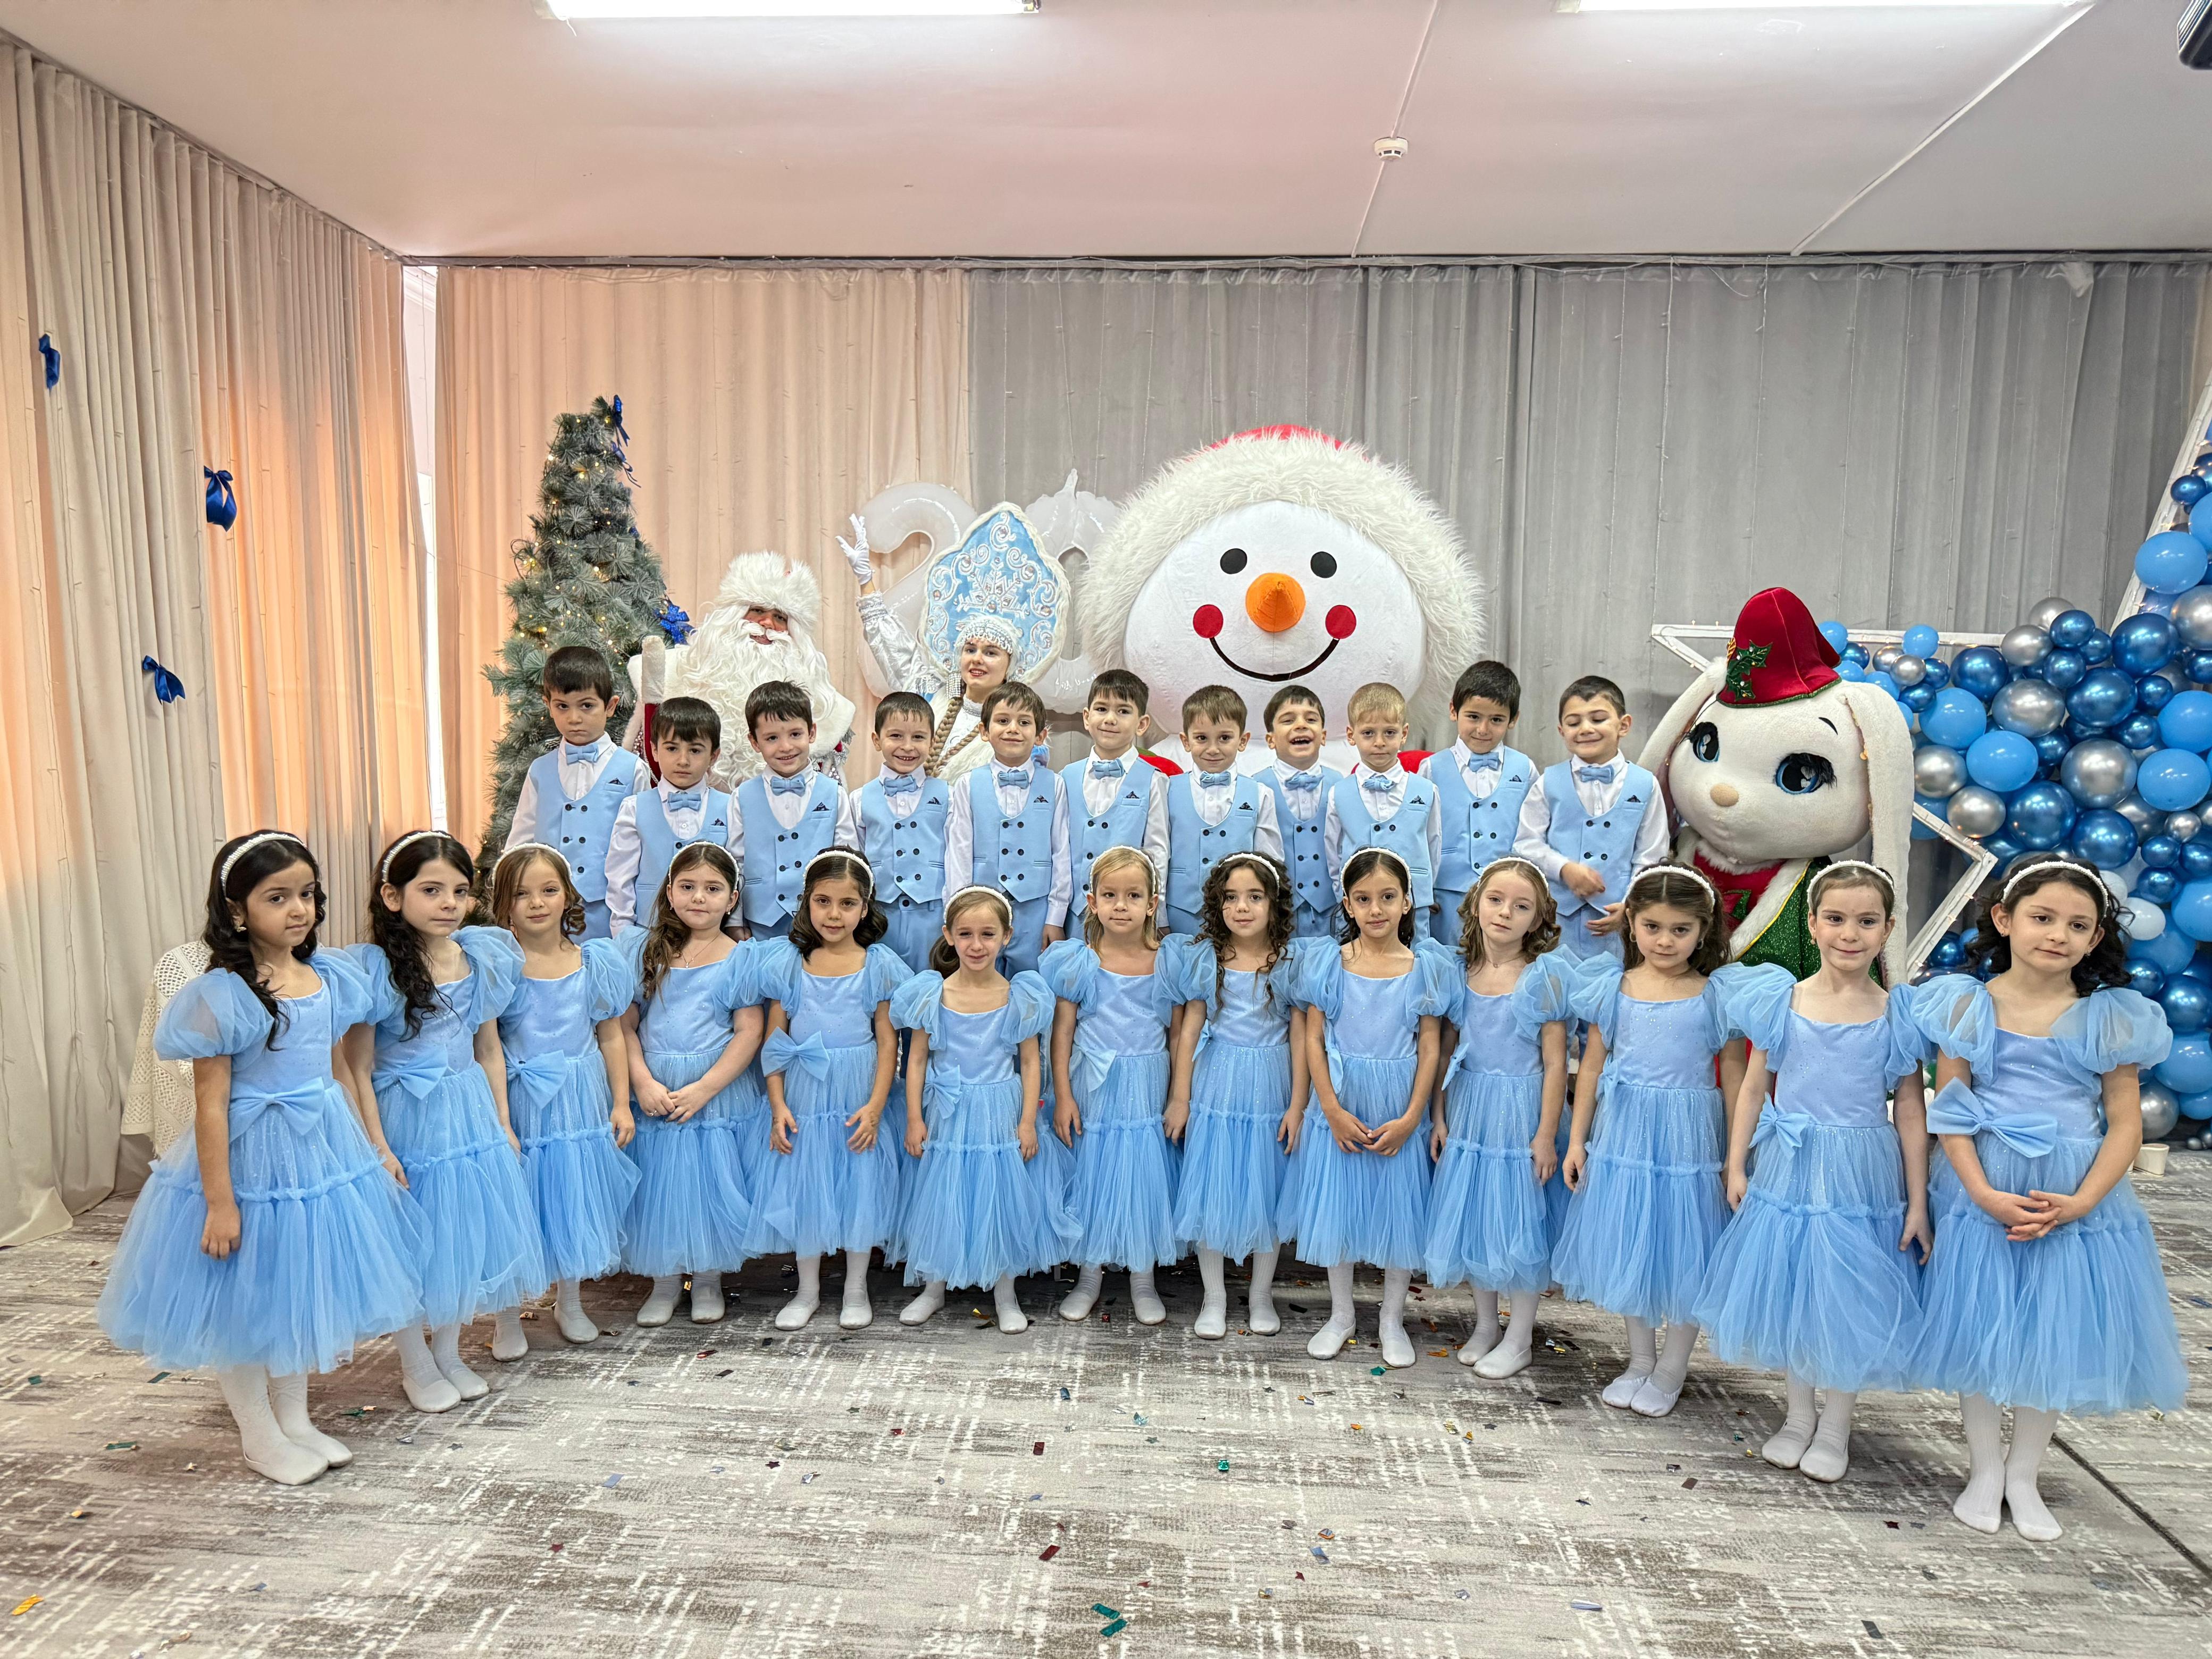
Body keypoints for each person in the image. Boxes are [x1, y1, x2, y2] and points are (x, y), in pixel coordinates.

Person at [98, 832, 425, 1485]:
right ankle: (258, 1433)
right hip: (251, 1163)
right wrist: (220, 1202)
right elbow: (211, 1107)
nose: (299, 909)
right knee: (243, 1301)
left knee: (299, 1288)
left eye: (306, 894)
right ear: (237, 910)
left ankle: (294, 1419)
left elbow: (335, 1070)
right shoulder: (223, 994)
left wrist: (367, 1149)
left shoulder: (326, 976)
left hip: (319, 1156)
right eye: (277, 898)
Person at [1903, 855, 2185, 1542]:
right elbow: (1952, 1111)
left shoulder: (2107, 1018)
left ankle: (2024, 1474)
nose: (2058, 934)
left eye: (2077, 925)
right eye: (2042, 917)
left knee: (2050, 1332)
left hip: (2070, 1191)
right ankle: (1984, 1469)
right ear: (2004, 919)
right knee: (1980, 1326)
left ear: (2095, 938)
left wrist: (2083, 1201)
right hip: (1984, 1186)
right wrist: (1981, 1194)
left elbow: (2124, 1124)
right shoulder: (1967, 1005)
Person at [1692, 861, 1932, 1484]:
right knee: (1793, 1286)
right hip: (1789, 1165)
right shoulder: (1783, 1000)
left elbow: (1909, 1108)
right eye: (1835, 919)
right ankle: (1798, 1415)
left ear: (1887, 929)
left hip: (1860, 1171)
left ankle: (1835, 1426)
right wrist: (1736, 1163)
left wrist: (1916, 1200)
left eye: (1866, 921)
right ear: (1812, 923)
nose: (1849, 934)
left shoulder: (1896, 1014)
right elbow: (1753, 1088)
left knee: (1847, 1291)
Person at [342, 832, 546, 1411]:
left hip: (467, 1113)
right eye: (431, 890)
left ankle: (450, 1352)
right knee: (410, 1242)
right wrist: (378, 1146)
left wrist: (502, 1122)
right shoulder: (374, 969)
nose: (449, 903)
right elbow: (357, 1067)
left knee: (461, 1233)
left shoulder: (480, 956)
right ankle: (415, 1362)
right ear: (393, 896)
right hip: (405, 1115)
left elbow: (488, 1048)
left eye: (459, 891)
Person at [1552, 864, 1749, 1419]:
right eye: (1653, 927)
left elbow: (1735, 1077)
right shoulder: (1612, 987)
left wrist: (1735, 1156)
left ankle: (1671, 1368)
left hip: (1689, 1139)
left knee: (1687, 1249)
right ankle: (1640, 1360)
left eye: (1680, 930)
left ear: (1703, 930)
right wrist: (1577, 1141)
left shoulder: (1716, 995)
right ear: (1631, 924)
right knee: (1629, 1243)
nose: (1665, 941)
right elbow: (1591, 1067)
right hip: (1624, 1135)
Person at [1280, 848, 1454, 1367]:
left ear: (1407, 903)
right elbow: (1313, 1040)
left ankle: (1391, 1317)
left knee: (1398, 1209)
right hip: (1342, 1099)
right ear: (1347, 905)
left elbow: (1430, 1049)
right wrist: (1330, 1110)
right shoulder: (1329, 964)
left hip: (1397, 1102)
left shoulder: (1424, 968)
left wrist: (1412, 1117)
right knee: (1337, 1207)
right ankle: (1341, 1315)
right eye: (1362, 899)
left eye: (1387, 897)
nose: (1375, 909)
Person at [892, 886, 1079, 1333]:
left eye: (988, 934)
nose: (977, 945)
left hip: (999, 1109)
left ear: (1007, 936)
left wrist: (1028, 1121)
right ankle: (934, 1286)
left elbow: (1030, 1062)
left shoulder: (1020, 996)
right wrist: (915, 1118)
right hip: (948, 1112)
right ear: (948, 936)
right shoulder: (932, 994)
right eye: (966, 934)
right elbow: (916, 1060)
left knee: (999, 1198)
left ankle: (1005, 1291)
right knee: (945, 1195)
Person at [1422, 858, 1577, 1378]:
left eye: (1521, 906)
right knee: (1477, 1217)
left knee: (1519, 1222)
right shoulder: (1460, 972)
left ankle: (1519, 1336)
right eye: (1495, 900)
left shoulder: (1543, 977)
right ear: (1475, 905)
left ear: (1538, 919)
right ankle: (1486, 1324)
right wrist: (1439, 1116)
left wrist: (1545, 1135)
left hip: (1521, 1113)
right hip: (1471, 1108)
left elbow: (1555, 1063)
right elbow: (1446, 1050)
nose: (1505, 913)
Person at [752, 850, 912, 1331]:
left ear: (865, 908)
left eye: (847, 903)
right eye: (823, 901)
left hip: (858, 1091)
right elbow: (775, 1043)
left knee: (860, 1186)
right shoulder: (789, 963)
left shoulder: (877, 965)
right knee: (807, 1186)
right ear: (807, 903)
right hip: (805, 1095)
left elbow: (888, 1044)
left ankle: (856, 1287)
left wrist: (876, 1107)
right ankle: (807, 1290)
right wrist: (778, 1104)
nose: (834, 914)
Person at [490, 843, 641, 1347]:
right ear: (504, 904)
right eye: (522, 894)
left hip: (578, 1100)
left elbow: (611, 1034)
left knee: (573, 1199)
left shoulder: (592, 961)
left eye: (549, 890)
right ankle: (507, 1316)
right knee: (518, 1204)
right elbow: (486, 1044)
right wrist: (500, 1117)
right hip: (522, 1100)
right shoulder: (499, 966)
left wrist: (620, 1102)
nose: (537, 903)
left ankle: (570, 1300)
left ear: (567, 896)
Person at [618, 844, 764, 1327]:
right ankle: (664, 1281)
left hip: (713, 1092)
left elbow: (749, 1032)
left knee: (709, 1188)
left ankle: (706, 1280)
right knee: (659, 1188)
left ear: (732, 899)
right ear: (669, 891)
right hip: (656, 1087)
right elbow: (624, 1025)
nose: (699, 897)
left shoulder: (741, 958)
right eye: (688, 887)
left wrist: (705, 1089)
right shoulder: (644, 951)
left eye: (713, 889)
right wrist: (641, 1080)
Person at [1163, 852, 1307, 1339]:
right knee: (1213, 1186)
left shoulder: (1290, 962)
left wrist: (1298, 1105)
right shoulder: (1207, 959)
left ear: (1274, 904)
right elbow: (1189, 1032)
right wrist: (1180, 1098)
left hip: (1271, 1085)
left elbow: (1301, 1037)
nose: (1241, 907)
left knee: (1265, 1189)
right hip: (1218, 1083)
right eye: (1231, 897)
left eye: (1254, 897)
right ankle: (1215, 1296)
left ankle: (1261, 1294)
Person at [1044, 848, 1183, 1324]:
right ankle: (1089, 1273)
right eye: (1110, 895)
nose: (1121, 905)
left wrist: (1178, 1095)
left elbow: (1177, 1033)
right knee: (1094, 1173)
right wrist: (1064, 1096)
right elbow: (1062, 1034)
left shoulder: (1167, 961)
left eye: (1133, 896)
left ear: (1152, 904)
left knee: (1142, 1175)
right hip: (1094, 1086)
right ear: (1092, 902)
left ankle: (1143, 1276)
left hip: (1147, 1082)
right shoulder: (1079, 962)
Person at [843, 510, 1067, 782]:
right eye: (970, 650)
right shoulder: (934, 696)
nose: (977, 659)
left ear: (1011, 664)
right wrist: (866, 581)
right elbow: (893, 648)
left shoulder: (1016, 729)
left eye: (991, 652)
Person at [650, 549, 856, 787]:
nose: (767, 623)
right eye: (758, 611)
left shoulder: (828, 708)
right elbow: (648, 769)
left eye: (780, 618)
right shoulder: (672, 674)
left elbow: (831, 791)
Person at [1513, 674, 1669, 962]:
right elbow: (1526, 843)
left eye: (1598, 719)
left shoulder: (1646, 784)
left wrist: (1632, 905)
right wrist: (1564, 869)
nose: (1586, 729)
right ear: (1562, 731)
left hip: (1619, 921)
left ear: (1624, 725)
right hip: (1555, 919)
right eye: (1574, 723)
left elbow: (1651, 855)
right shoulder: (1548, 782)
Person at [505, 645, 646, 941]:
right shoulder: (539, 770)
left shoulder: (632, 768)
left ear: (610, 706)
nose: (574, 718)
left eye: (587, 706)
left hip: (611, 913)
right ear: (548, 705)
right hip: (546, 915)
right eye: (562, 707)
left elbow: (642, 845)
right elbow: (521, 840)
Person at [941, 681, 1070, 975]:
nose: (1013, 729)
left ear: (1040, 735)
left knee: (1034, 985)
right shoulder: (967, 784)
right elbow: (959, 852)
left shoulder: (1055, 785)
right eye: (1002, 721)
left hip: (1036, 912)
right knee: (980, 983)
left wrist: (1055, 917)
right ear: (984, 731)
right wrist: (959, 910)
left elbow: (1062, 853)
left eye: (1024, 722)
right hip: (980, 913)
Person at [1419, 662, 1537, 950]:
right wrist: (1422, 891)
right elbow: (1418, 833)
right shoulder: (1431, 768)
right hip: (1445, 898)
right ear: (1454, 711)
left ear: (1513, 719)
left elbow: (1533, 835)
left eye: (1496, 720)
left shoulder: (1525, 769)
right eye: (1473, 717)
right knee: (1446, 965)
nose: (1483, 729)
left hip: (1506, 903)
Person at [838, 691, 952, 974]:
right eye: (896, 736)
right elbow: (855, 861)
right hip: (879, 915)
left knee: (931, 982)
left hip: (933, 914)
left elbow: (956, 855)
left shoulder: (949, 795)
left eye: (918, 737)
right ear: (877, 740)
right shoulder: (859, 799)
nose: (908, 746)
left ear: (932, 741)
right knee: (882, 982)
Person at [606, 696, 733, 935]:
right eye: (672, 748)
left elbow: (737, 874)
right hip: (647, 934)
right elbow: (620, 880)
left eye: (695, 750)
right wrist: (623, 936)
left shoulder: (730, 807)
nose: (683, 761)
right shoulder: (634, 808)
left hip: (711, 937)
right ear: (654, 750)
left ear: (713, 756)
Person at [1162, 685, 1281, 937]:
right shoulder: (1167, 789)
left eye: (1225, 738)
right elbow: (1158, 856)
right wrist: (1159, 916)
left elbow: (1270, 863)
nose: (1213, 749)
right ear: (1186, 741)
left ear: (1243, 741)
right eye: (1202, 738)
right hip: (1178, 916)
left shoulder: (1260, 794)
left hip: (1241, 920)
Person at [1323, 683, 1440, 936]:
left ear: (1404, 733)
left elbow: (1433, 846)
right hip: (1360, 910)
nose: (1379, 742)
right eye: (1368, 733)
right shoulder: (1339, 793)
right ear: (1351, 735)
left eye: (1389, 733)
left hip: (1413, 907)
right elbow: (1334, 852)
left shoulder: (1426, 790)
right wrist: (1345, 893)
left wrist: (1423, 890)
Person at [732, 680, 845, 941]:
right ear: (754, 742)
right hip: (759, 924)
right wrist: (735, 921)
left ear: (812, 732)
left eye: (795, 734)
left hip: (819, 925)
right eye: (772, 738)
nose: (786, 747)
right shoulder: (741, 796)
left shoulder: (834, 793)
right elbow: (735, 864)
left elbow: (844, 862)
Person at [1061, 669, 1170, 922]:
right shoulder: (1065, 776)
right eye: (1101, 709)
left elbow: (1157, 853)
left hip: (1130, 916)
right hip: (1073, 913)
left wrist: (1157, 916)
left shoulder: (1155, 780)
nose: (1110, 719)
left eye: (1123, 711)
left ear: (1142, 724)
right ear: (1087, 717)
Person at [1256, 685, 1343, 940]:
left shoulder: (1343, 786)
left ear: (1323, 736)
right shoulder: (1255, 788)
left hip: (1334, 913)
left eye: (1311, 719)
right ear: (1271, 739)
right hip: (1278, 915)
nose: (1301, 725)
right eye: (1288, 720)